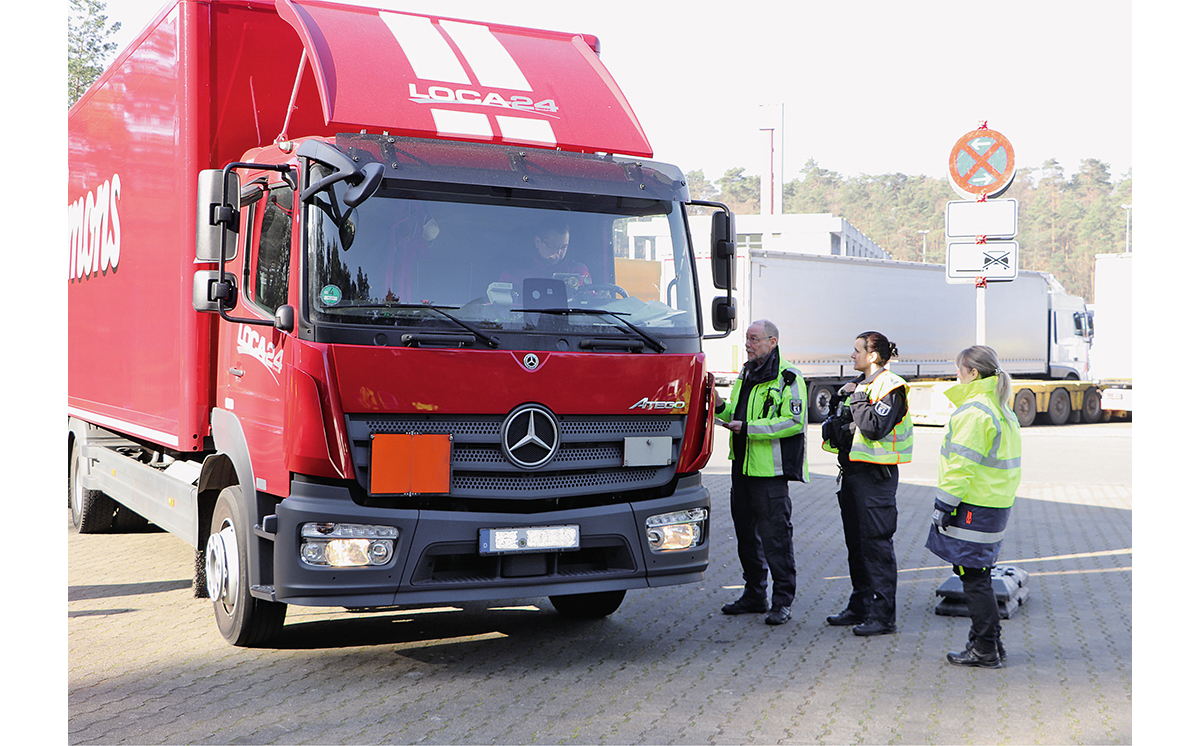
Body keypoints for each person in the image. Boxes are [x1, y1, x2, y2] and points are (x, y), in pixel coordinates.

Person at [926, 345, 1022, 668]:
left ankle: (984, 648)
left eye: (959, 371)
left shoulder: (975, 411)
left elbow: (960, 467)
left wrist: (943, 505)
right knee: (978, 574)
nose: (957, 376)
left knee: (973, 578)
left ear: (973, 373)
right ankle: (990, 643)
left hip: (973, 506)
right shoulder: (1000, 408)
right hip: (993, 505)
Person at [715, 319, 809, 626]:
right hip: (741, 468)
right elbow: (735, 413)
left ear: (772, 341)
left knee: (776, 539)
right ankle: (754, 594)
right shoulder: (747, 372)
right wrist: (719, 407)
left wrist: (750, 429)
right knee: (745, 536)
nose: (748, 344)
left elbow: (793, 422)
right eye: (747, 339)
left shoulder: (789, 376)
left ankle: (782, 602)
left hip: (770, 474)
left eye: (754, 339)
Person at [821, 331, 912, 636]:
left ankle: (883, 616)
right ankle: (860, 605)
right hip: (853, 476)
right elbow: (844, 427)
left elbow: (873, 427)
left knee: (877, 547)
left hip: (876, 480)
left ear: (872, 356)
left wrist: (857, 397)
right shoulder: (861, 386)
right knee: (857, 546)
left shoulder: (890, 387)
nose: (852, 355)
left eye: (857, 350)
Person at [499, 217, 590, 287]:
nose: (558, 252)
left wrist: (600, 296)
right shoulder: (513, 272)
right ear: (537, 242)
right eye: (552, 246)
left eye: (563, 247)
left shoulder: (578, 272)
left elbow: (590, 303)